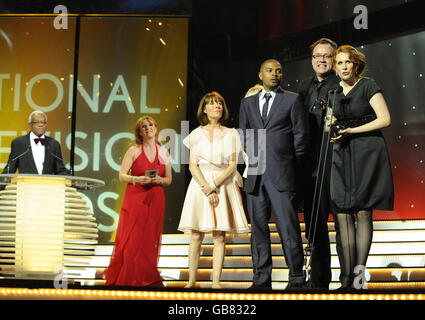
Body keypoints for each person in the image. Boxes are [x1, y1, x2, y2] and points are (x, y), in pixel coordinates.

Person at [239, 59, 309, 290]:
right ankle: (261, 279)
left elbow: (301, 137)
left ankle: (297, 278)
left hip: (282, 172)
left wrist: (291, 164)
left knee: (288, 227)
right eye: (269, 70)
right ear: (260, 75)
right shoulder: (247, 103)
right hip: (255, 173)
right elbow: (244, 134)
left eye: (278, 70)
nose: (274, 74)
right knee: (258, 229)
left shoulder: (292, 99)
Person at [329, 45, 394, 289]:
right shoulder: (333, 93)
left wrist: (351, 131)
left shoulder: (368, 85)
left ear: (356, 65)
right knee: (343, 212)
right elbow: (328, 125)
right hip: (341, 154)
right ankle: (346, 279)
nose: (344, 67)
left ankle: (358, 278)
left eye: (348, 62)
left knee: (364, 212)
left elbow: (385, 119)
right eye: (340, 63)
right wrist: (332, 125)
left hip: (367, 152)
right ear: (335, 68)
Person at [178, 91, 249, 289]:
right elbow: (193, 165)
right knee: (196, 235)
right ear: (204, 109)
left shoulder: (232, 133)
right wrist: (206, 188)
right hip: (200, 185)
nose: (216, 106)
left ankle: (216, 282)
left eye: (219, 103)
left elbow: (233, 165)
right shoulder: (196, 134)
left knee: (219, 235)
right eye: (212, 104)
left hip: (223, 183)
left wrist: (215, 185)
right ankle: (191, 280)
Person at [103, 116, 172, 287]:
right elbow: (122, 175)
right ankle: (129, 277)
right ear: (139, 132)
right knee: (133, 239)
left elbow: (168, 179)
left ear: (156, 128)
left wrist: (158, 181)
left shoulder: (163, 152)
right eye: (144, 126)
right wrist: (137, 179)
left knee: (149, 239)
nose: (148, 128)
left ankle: (147, 275)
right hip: (135, 199)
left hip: (155, 199)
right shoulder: (133, 151)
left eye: (150, 125)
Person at [296, 38, 340, 289]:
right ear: (311, 60)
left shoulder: (341, 86)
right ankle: (319, 278)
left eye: (326, 56)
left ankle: (349, 279)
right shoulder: (304, 87)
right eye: (317, 56)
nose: (321, 60)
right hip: (310, 166)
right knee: (314, 224)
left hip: (335, 163)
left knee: (342, 221)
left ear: (334, 60)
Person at [2, 110, 70, 176]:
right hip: (26, 185)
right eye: (37, 122)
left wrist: (72, 182)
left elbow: (60, 170)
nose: (41, 125)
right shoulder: (19, 143)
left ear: (46, 125)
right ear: (30, 125)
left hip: (46, 186)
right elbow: (10, 168)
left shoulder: (54, 144)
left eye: (43, 122)